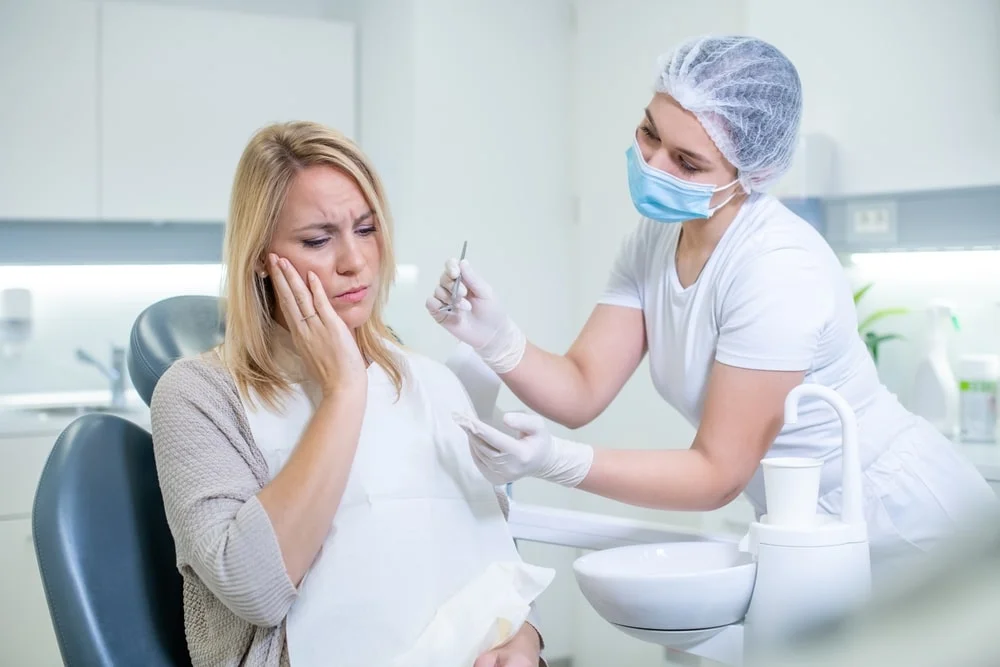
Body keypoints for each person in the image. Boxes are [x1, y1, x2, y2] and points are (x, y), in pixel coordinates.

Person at [427, 35, 1000, 581]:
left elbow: (717, 472)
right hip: (801, 517)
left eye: (687, 161)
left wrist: (556, 461)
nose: (653, 165)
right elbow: (581, 389)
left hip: (904, 517)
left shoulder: (774, 267)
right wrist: (497, 338)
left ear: (749, 173)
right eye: (649, 134)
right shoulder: (655, 239)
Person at [151, 121, 545, 667]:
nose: (354, 261)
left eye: (366, 229)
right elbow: (255, 591)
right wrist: (343, 390)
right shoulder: (198, 396)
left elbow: (490, 547)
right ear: (262, 260)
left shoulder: (423, 378)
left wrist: (526, 641)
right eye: (317, 239)